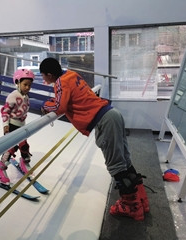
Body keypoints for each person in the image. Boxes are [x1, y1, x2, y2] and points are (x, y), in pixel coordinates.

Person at [40, 57, 149, 221]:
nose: (43, 79)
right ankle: (142, 201)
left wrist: (44, 106)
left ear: (49, 74)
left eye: (43, 76)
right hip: (112, 114)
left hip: (104, 120)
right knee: (125, 161)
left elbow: (59, 106)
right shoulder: (71, 74)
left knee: (117, 166)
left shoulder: (61, 82)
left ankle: (131, 207)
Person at [0, 68, 34, 185]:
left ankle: (24, 162)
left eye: (29, 85)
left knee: (24, 146)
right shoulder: (13, 95)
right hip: (12, 125)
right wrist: (6, 126)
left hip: (21, 126)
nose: (27, 87)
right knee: (10, 149)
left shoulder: (26, 96)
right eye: (25, 85)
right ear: (17, 82)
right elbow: (5, 112)